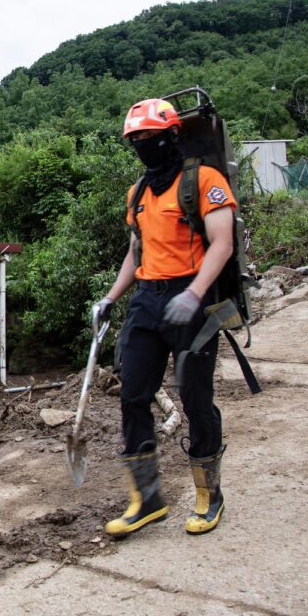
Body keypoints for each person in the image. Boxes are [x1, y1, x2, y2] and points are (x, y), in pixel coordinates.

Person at [93, 98, 236, 538]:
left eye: (148, 138)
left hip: (193, 296)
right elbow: (136, 251)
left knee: (194, 398)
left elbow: (223, 243)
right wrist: (111, 297)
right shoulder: (137, 193)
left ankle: (209, 495)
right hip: (148, 300)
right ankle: (147, 499)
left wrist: (193, 294)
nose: (142, 146)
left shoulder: (205, 181)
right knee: (133, 393)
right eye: (135, 140)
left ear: (171, 136)